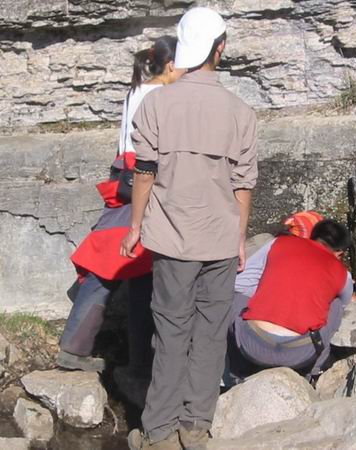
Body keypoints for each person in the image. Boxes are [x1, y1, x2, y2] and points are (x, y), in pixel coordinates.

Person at [121, 7, 257, 450]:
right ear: (221, 48)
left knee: (171, 331)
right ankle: (196, 426)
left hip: (173, 239)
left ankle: (159, 430)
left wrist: (135, 226)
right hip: (220, 238)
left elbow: (144, 172)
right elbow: (243, 184)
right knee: (211, 332)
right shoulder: (241, 111)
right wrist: (240, 237)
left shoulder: (157, 103)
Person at [57, 36, 180, 373]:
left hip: (124, 183)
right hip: (142, 186)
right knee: (126, 271)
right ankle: (136, 362)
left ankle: (126, 359)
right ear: (171, 65)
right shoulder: (161, 96)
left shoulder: (136, 91)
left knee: (127, 270)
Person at [227, 219, 353, 383]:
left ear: (312, 236)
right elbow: (345, 303)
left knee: (235, 296)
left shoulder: (279, 243)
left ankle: (237, 371)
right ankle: (314, 371)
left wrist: (267, 289)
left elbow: (239, 282)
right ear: (339, 253)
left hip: (252, 345)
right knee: (336, 304)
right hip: (299, 354)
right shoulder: (342, 273)